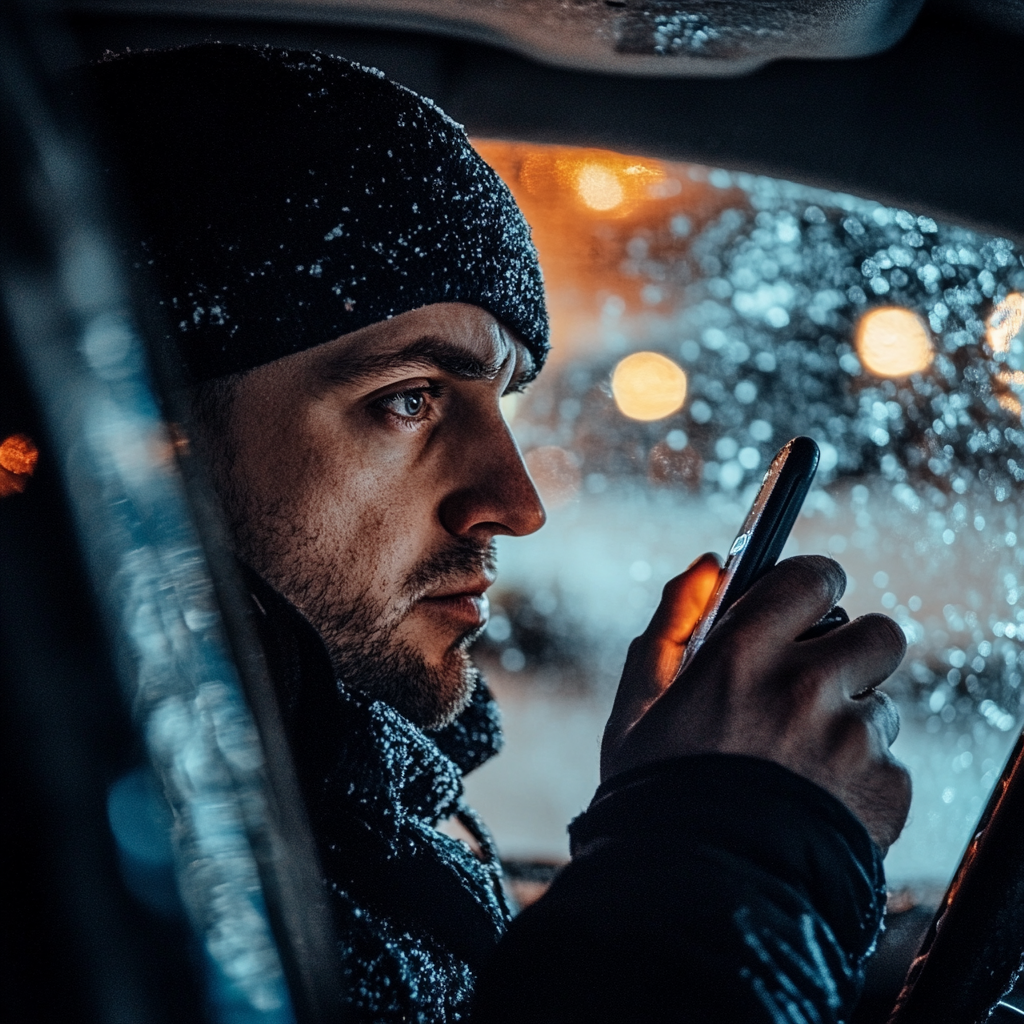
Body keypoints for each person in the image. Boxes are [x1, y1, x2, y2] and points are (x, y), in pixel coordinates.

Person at [85, 44, 911, 1023]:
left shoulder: (319, 825)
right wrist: (735, 850)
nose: (517, 504)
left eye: (502, 402)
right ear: (141, 438)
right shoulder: (108, 867)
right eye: (408, 398)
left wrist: (664, 822)